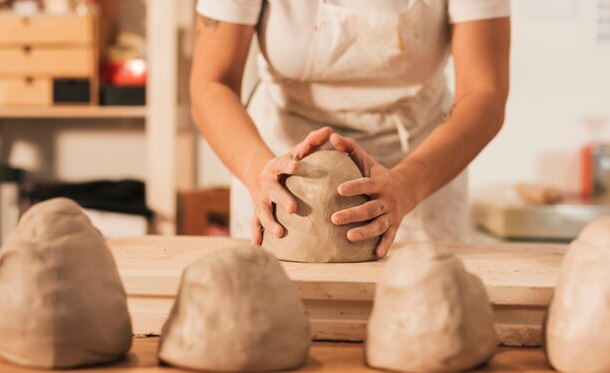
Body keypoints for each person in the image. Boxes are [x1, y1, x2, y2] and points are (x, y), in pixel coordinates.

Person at [191, 0, 510, 258]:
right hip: (280, 161)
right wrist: (259, 171)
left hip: (418, 165)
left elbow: (484, 93)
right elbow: (211, 83)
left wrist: (405, 185)